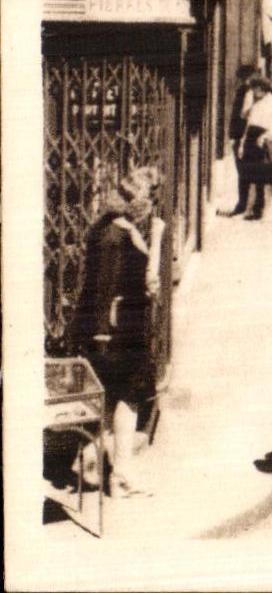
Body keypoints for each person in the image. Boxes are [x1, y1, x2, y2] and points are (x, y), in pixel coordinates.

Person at [74, 167, 165, 499]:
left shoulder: (99, 230)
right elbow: (150, 285)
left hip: (91, 329)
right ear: (143, 202)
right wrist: (156, 240)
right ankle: (122, 477)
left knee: (103, 397)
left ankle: (89, 463)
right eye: (152, 198)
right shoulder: (129, 236)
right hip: (122, 331)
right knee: (127, 400)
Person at [230, 75, 272, 219]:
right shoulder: (256, 103)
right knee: (245, 174)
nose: (253, 92)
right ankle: (245, 206)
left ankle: (258, 210)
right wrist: (242, 144)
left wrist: (264, 136)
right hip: (250, 139)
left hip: (263, 142)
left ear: (261, 89)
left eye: (254, 89)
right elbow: (247, 123)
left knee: (261, 178)